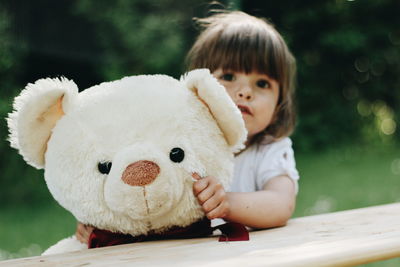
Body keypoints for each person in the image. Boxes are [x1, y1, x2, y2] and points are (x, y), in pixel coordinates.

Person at [76, 10, 299, 243]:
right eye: (229, 76)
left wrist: (227, 202)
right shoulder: (180, 143)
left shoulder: (269, 150)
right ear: (198, 90)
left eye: (262, 83)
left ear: (280, 104)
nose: (245, 92)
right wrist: (103, 219)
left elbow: (281, 203)